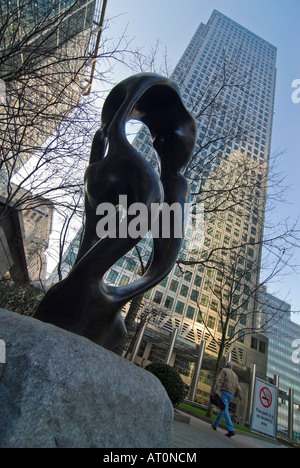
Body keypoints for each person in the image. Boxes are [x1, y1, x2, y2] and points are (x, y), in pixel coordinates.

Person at [211, 361, 243, 437]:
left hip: (225, 392)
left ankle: (231, 429)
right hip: (231, 394)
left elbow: (220, 380)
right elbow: (238, 388)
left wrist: (216, 387)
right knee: (223, 410)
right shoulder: (235, 376)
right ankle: (215, 424)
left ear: (226, 365)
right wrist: (241, 399)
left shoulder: (224, 370)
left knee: (225, 410)